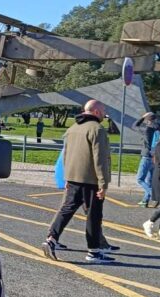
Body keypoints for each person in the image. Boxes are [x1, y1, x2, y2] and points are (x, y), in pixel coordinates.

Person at [42, 100, 113, 263]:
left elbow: (66, 155)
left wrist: (66, 177)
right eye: (103, 110)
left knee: (66, 209)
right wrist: (103, 183)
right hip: (91, 179)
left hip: (73, 177)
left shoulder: (72, 128)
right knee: (94, 216)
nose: (104, 113)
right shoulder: (97, 129)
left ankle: (51, 239)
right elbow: (100, 159)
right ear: (95, 111)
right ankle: (94, 252)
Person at [134, 112, 160, 207]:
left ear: (148, 120)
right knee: (149, 180)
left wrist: (142, 117)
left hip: (146, 156)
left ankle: (154, 195)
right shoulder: (159, 129)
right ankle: (145, 201)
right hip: (155, 157)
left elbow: (135, 125)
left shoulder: (146, 129)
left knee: (140, 179)